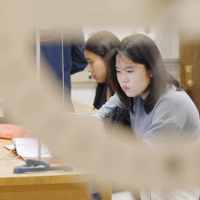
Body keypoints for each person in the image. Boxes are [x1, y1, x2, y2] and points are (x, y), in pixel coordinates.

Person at [94, 34, 200, 200]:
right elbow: (99, 117)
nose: (123, 79)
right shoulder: (133, 92)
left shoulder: (172, 102)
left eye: (130, 71)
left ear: (151, 69)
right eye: (118, 71)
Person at [83, 31, 120, 109]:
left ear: (108, 58)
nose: (89, 69)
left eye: (91, 62)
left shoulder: (127, 92)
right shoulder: (103, 87)